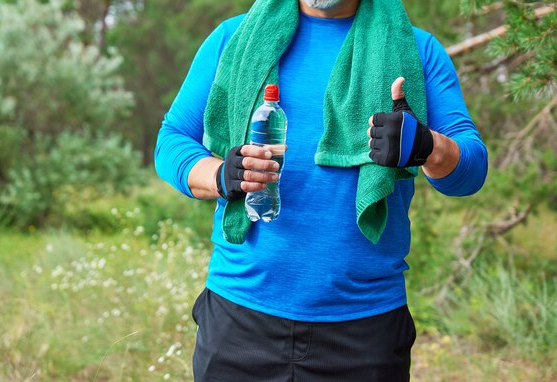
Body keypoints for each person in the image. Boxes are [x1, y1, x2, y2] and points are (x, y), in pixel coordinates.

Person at [155, 0, 488, 380]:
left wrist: (428, 146)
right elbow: (172, 141)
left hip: (364, 328)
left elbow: (472, 170)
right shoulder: (233, 38)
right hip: (239, 318)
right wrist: (219, 175)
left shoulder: (417, 50)